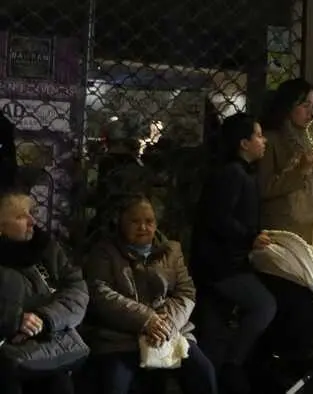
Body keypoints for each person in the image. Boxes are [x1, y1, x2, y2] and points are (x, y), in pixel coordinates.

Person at [80, 194, 216, 394]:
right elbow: (100, 293)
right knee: (115, 384)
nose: (143, 227)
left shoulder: (171, 250)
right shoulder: (105, 251)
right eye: (135, 221)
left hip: (170, 332)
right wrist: (146, 320)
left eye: (149, 221)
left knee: (204, 372)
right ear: (121, 223)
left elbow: (186, 292)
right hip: (122, 336)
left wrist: (165, 325)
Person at [191, 113, 276, 394]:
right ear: (243, 143)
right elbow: (219, 218)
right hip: (222, 267)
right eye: (259, 135)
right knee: (264, 305)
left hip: (217, 266)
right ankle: (234, 363)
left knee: (212, 337)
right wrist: (250, 236)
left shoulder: (237, 173)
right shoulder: (232, 174)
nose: (263, 141)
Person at [0, 189, 89, 394]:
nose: (32, 221)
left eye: (31, 213)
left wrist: (45, 319)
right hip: (8, 355)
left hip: (50, 345)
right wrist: (15, 321)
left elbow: (77, 290)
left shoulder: (46, 248)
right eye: (21, 216)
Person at [258, 79, 313, 253]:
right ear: (288, 105)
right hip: (284, 231)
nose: (312, 112)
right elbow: (264, 188)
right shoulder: (270, 140)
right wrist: (300, 170)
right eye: (306, 105)